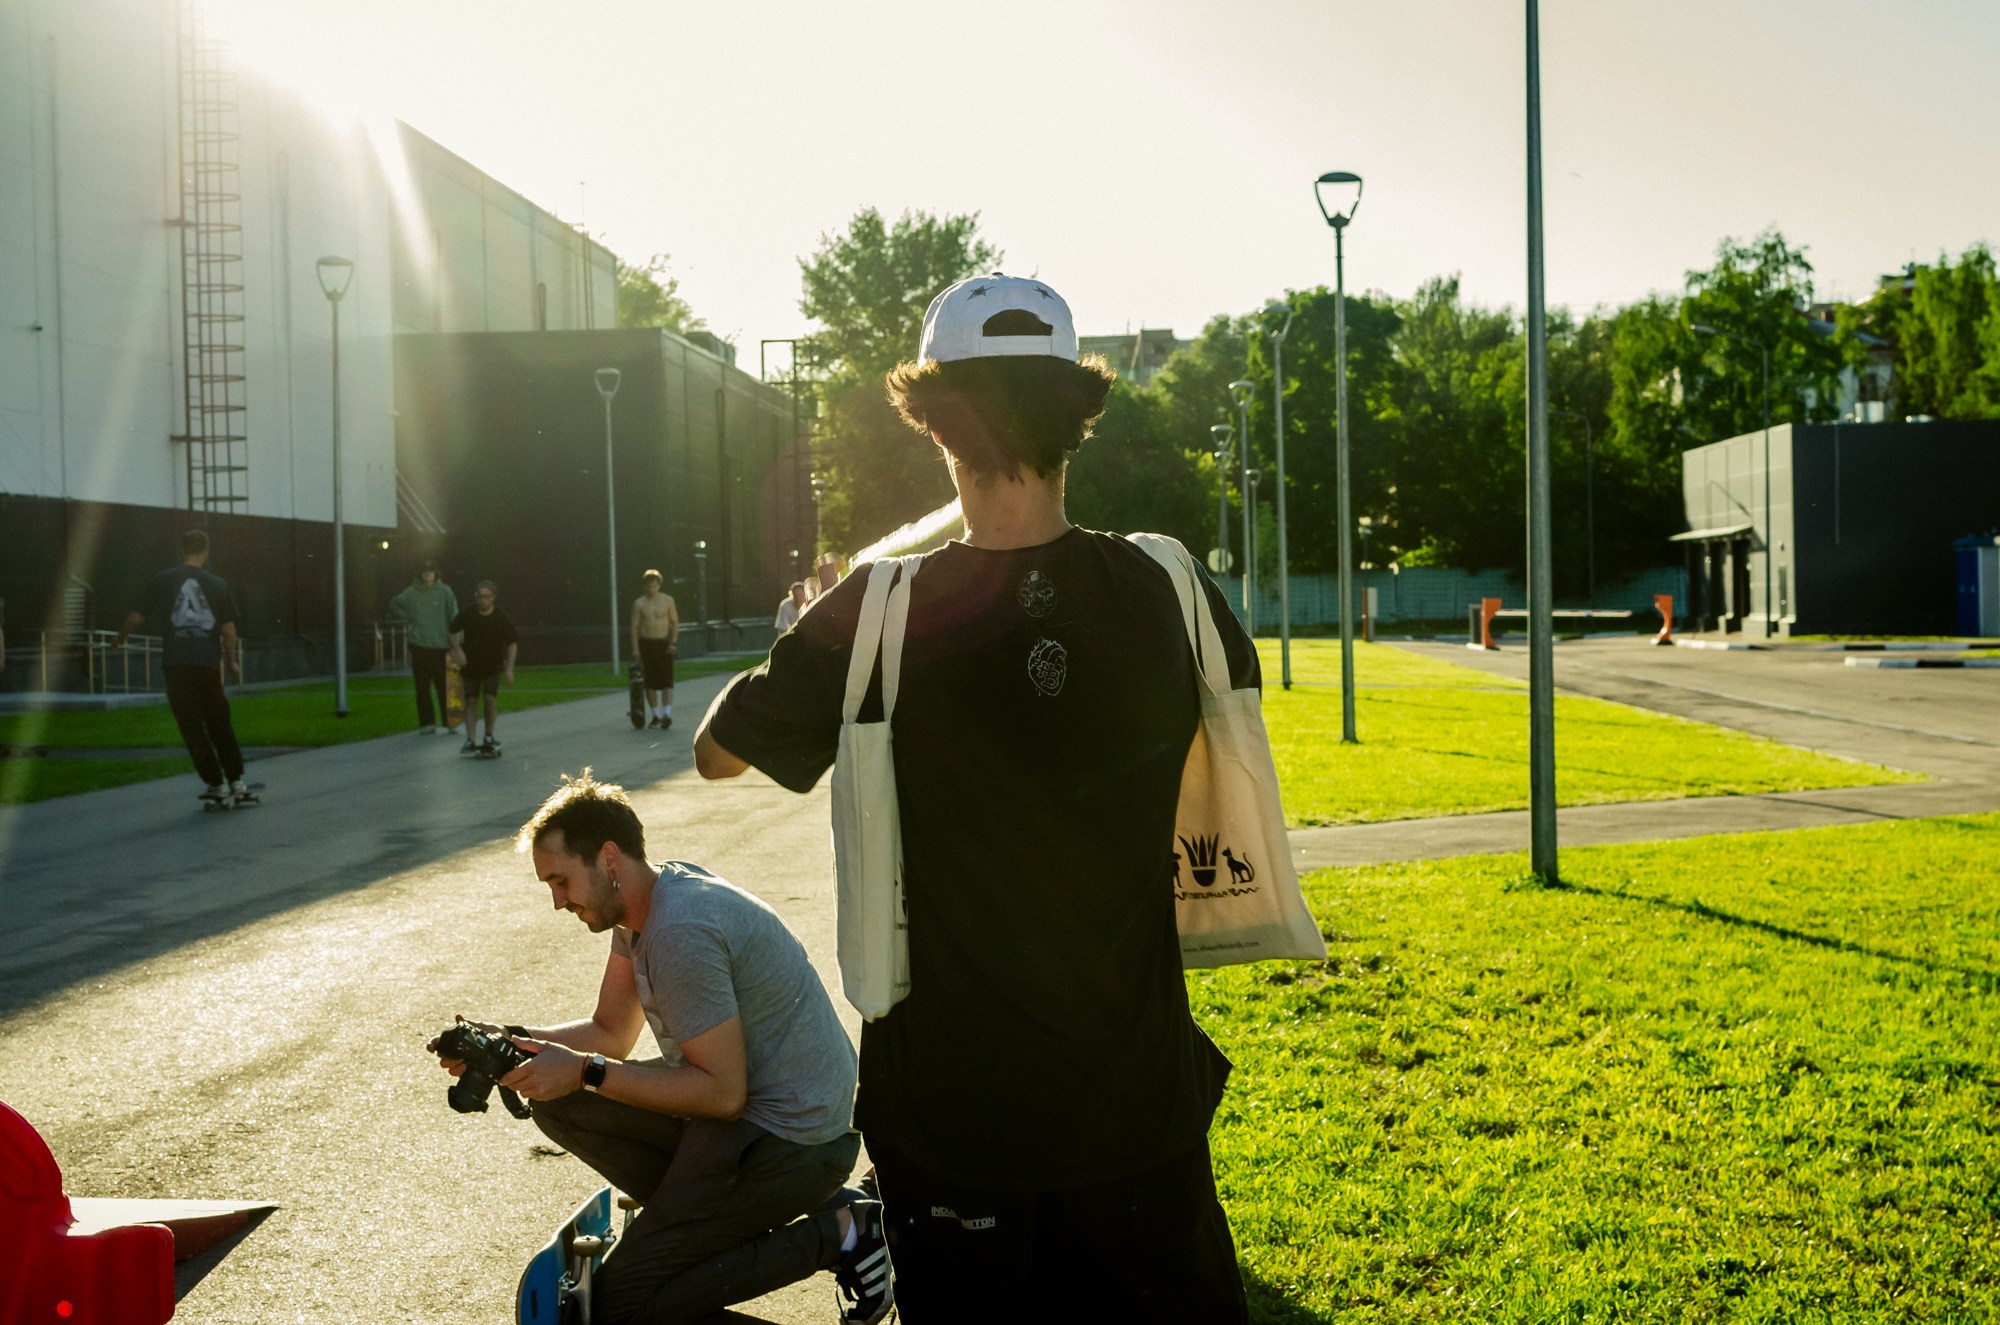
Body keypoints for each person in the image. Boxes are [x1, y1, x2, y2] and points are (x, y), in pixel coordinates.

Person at [693, 273, 1257, 1321]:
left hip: (953, 1115)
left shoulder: (875, 612)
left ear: (931, 422)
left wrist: (820, 620)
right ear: (1076, 419)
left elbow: (713, 752)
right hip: (1136, 1099)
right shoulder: (1169, 591)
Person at [429, 771, 894, 1324]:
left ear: (607, 859)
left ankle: (843, 1233)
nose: (557, 903)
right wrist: (507, 1045)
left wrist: (584, 1072)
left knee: (623, 1308)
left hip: (794, 1141)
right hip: (751, 1122)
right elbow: (609, 1032)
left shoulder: (680, 930)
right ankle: (703, 1226)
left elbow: (721, 1093)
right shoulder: (647, 905)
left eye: (560, 881)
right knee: (556, 1097)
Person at [113, 528, 254, 808]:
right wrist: (230, 661)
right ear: (206, 551)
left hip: (176, 665)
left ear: (182, 550)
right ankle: (236, 779)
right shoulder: (217, 584)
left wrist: (119, 638)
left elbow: (136, 617)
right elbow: (228, 630)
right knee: (219, 722)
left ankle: (215, 782)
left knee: (191, 725)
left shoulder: (162, 580)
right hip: (207, 665)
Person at [387, 559, 459, 735]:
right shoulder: (412, 592)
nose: (428, 574)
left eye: (431, 571)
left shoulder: (445, 591)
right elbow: (394, 604)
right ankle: (427, 723)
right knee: (422, 686)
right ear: (421, 574)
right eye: (425, 572)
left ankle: (449, 721)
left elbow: (454, 615)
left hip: (440, 645)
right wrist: (409, 617)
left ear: (436, 573)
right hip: (419, 644)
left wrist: (455, 640)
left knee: (444, 685)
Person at [449, 580, 517, 755]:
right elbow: (451, 632)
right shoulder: (468, 614)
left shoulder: (500, 617)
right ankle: (470, 739)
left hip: (492, 665)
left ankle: (488, 735)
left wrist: (509, 668)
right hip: (471, 664)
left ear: (493, 598)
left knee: (489, 697)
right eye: (479, 596)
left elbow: (512, 642)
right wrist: (457, 651)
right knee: (470, 700)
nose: (482, 600)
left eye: (486, 597)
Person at [630, 570, 679, 729]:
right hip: (647, 644)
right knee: (649, 682)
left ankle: (667, 714)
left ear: (659, 585)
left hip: (663, 644)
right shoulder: (639, 604)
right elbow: (634, 627)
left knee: (667, 681)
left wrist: (673, 642)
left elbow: (675, 622)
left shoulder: (667, 600)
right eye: (649, 586)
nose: (652, 589)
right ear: (645, 586)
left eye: (655, 585)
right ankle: (656, 715)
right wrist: (636, 649)